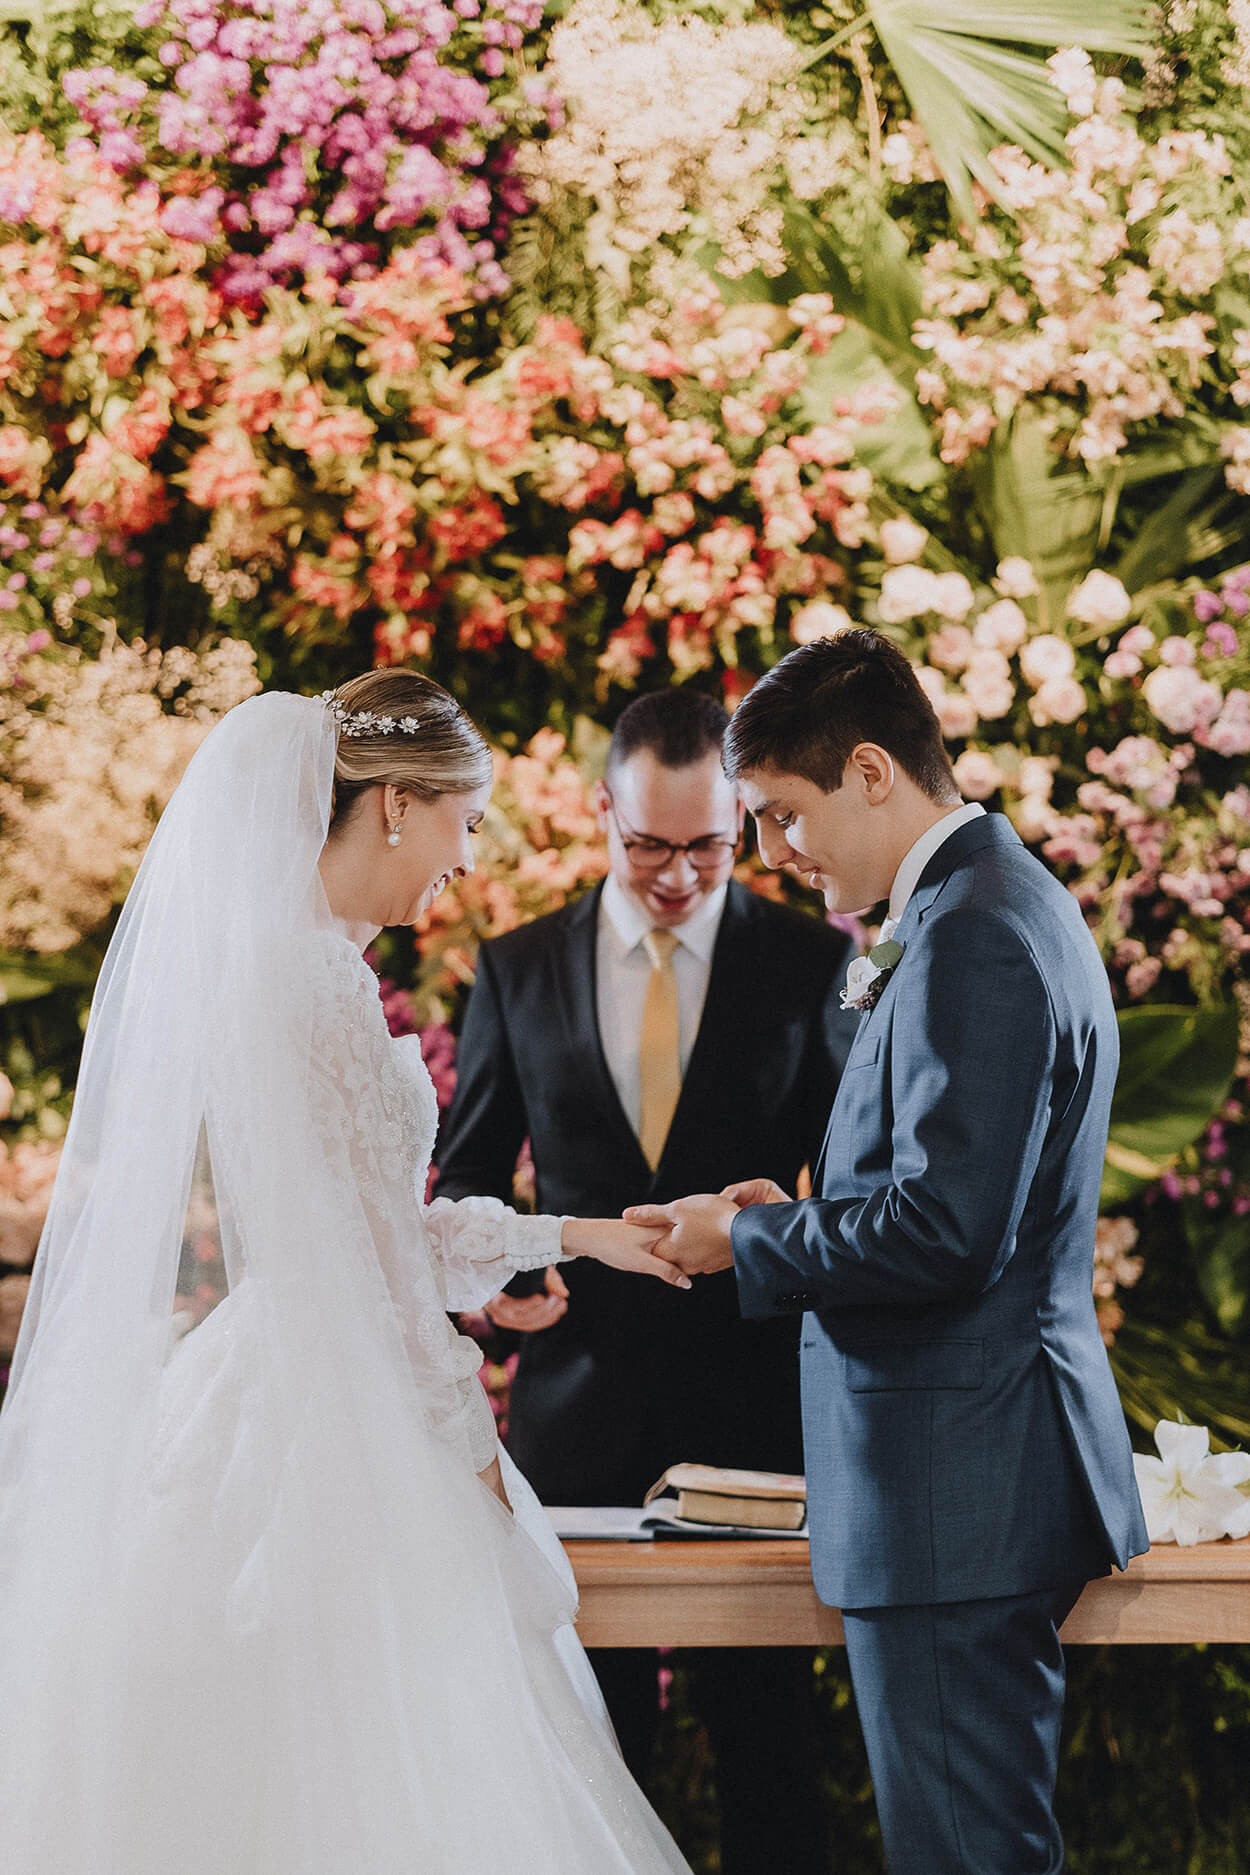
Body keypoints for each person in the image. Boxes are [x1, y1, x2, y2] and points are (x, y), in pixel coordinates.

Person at [0, 671, 698, 1875]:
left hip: (273, 1374)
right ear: (394, 804)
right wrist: (471, 1460)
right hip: (344, 1409)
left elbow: (377, 1233)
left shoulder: (280, 964)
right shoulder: (316, 980)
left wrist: (579, 1235)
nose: (465, 859)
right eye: (463, 822)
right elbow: (386, 1274)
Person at [628, 630, 1149, 1875]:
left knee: (963, 1856)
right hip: (959, 1479)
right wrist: (803, 1206)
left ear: (869, 771)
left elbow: (947, 1232)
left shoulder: (972, 931)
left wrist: (745, 1238)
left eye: (779, 815)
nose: (771, 853)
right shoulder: (983, 902)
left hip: (952, 1488)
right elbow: (949, 1194)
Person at [436, 687, 855, 1875]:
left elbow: (849, 1187)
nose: (676, 876)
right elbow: (468, 1176)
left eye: (707, 847)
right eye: (646, 845)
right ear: (600, 812)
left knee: (768, 1754)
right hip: (577, 1412)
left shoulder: (810, 964)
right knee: (588, 1757)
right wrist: (499, 1288)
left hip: (754, 1415)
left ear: (743, 820)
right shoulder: (516, 967)